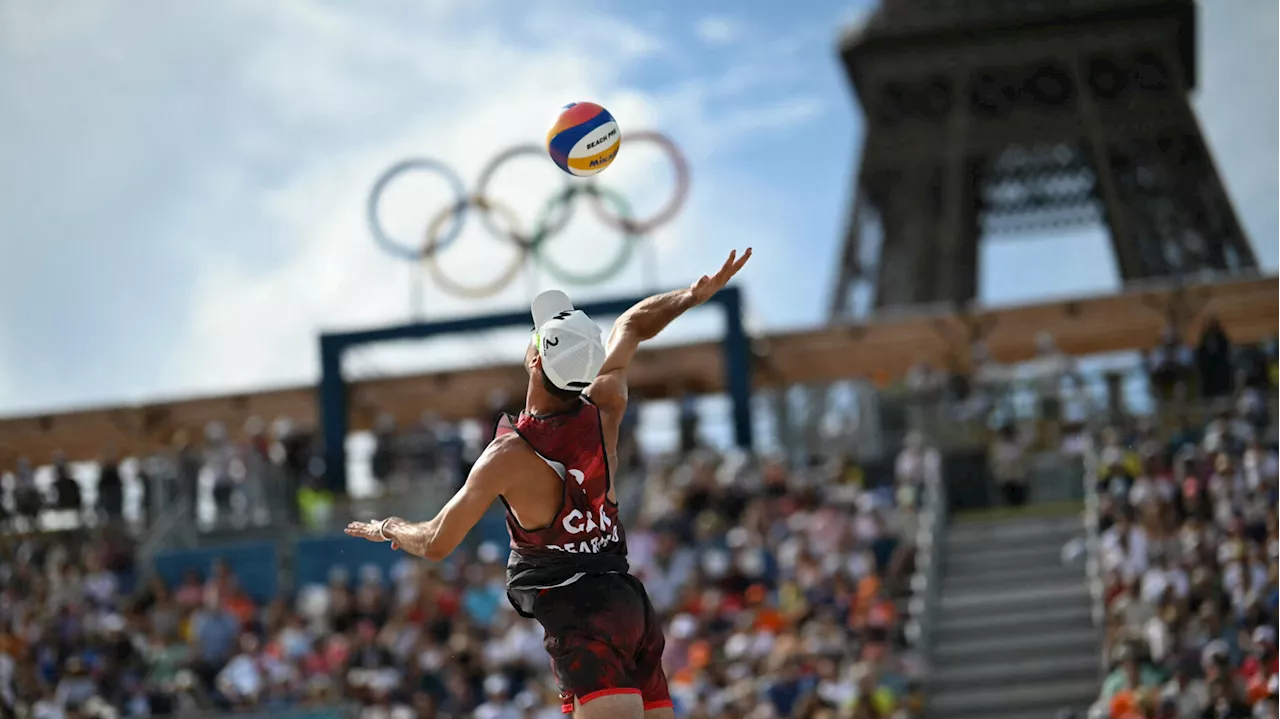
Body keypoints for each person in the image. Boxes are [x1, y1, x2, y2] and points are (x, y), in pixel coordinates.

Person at [346, 248, 753, 719]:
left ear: (536, 357)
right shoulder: (606, 402)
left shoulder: (509, 455)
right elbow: (634, 325)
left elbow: (436, 542)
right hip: (628, 602)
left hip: (579, 610)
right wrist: (691, 296)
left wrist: (390, 527)